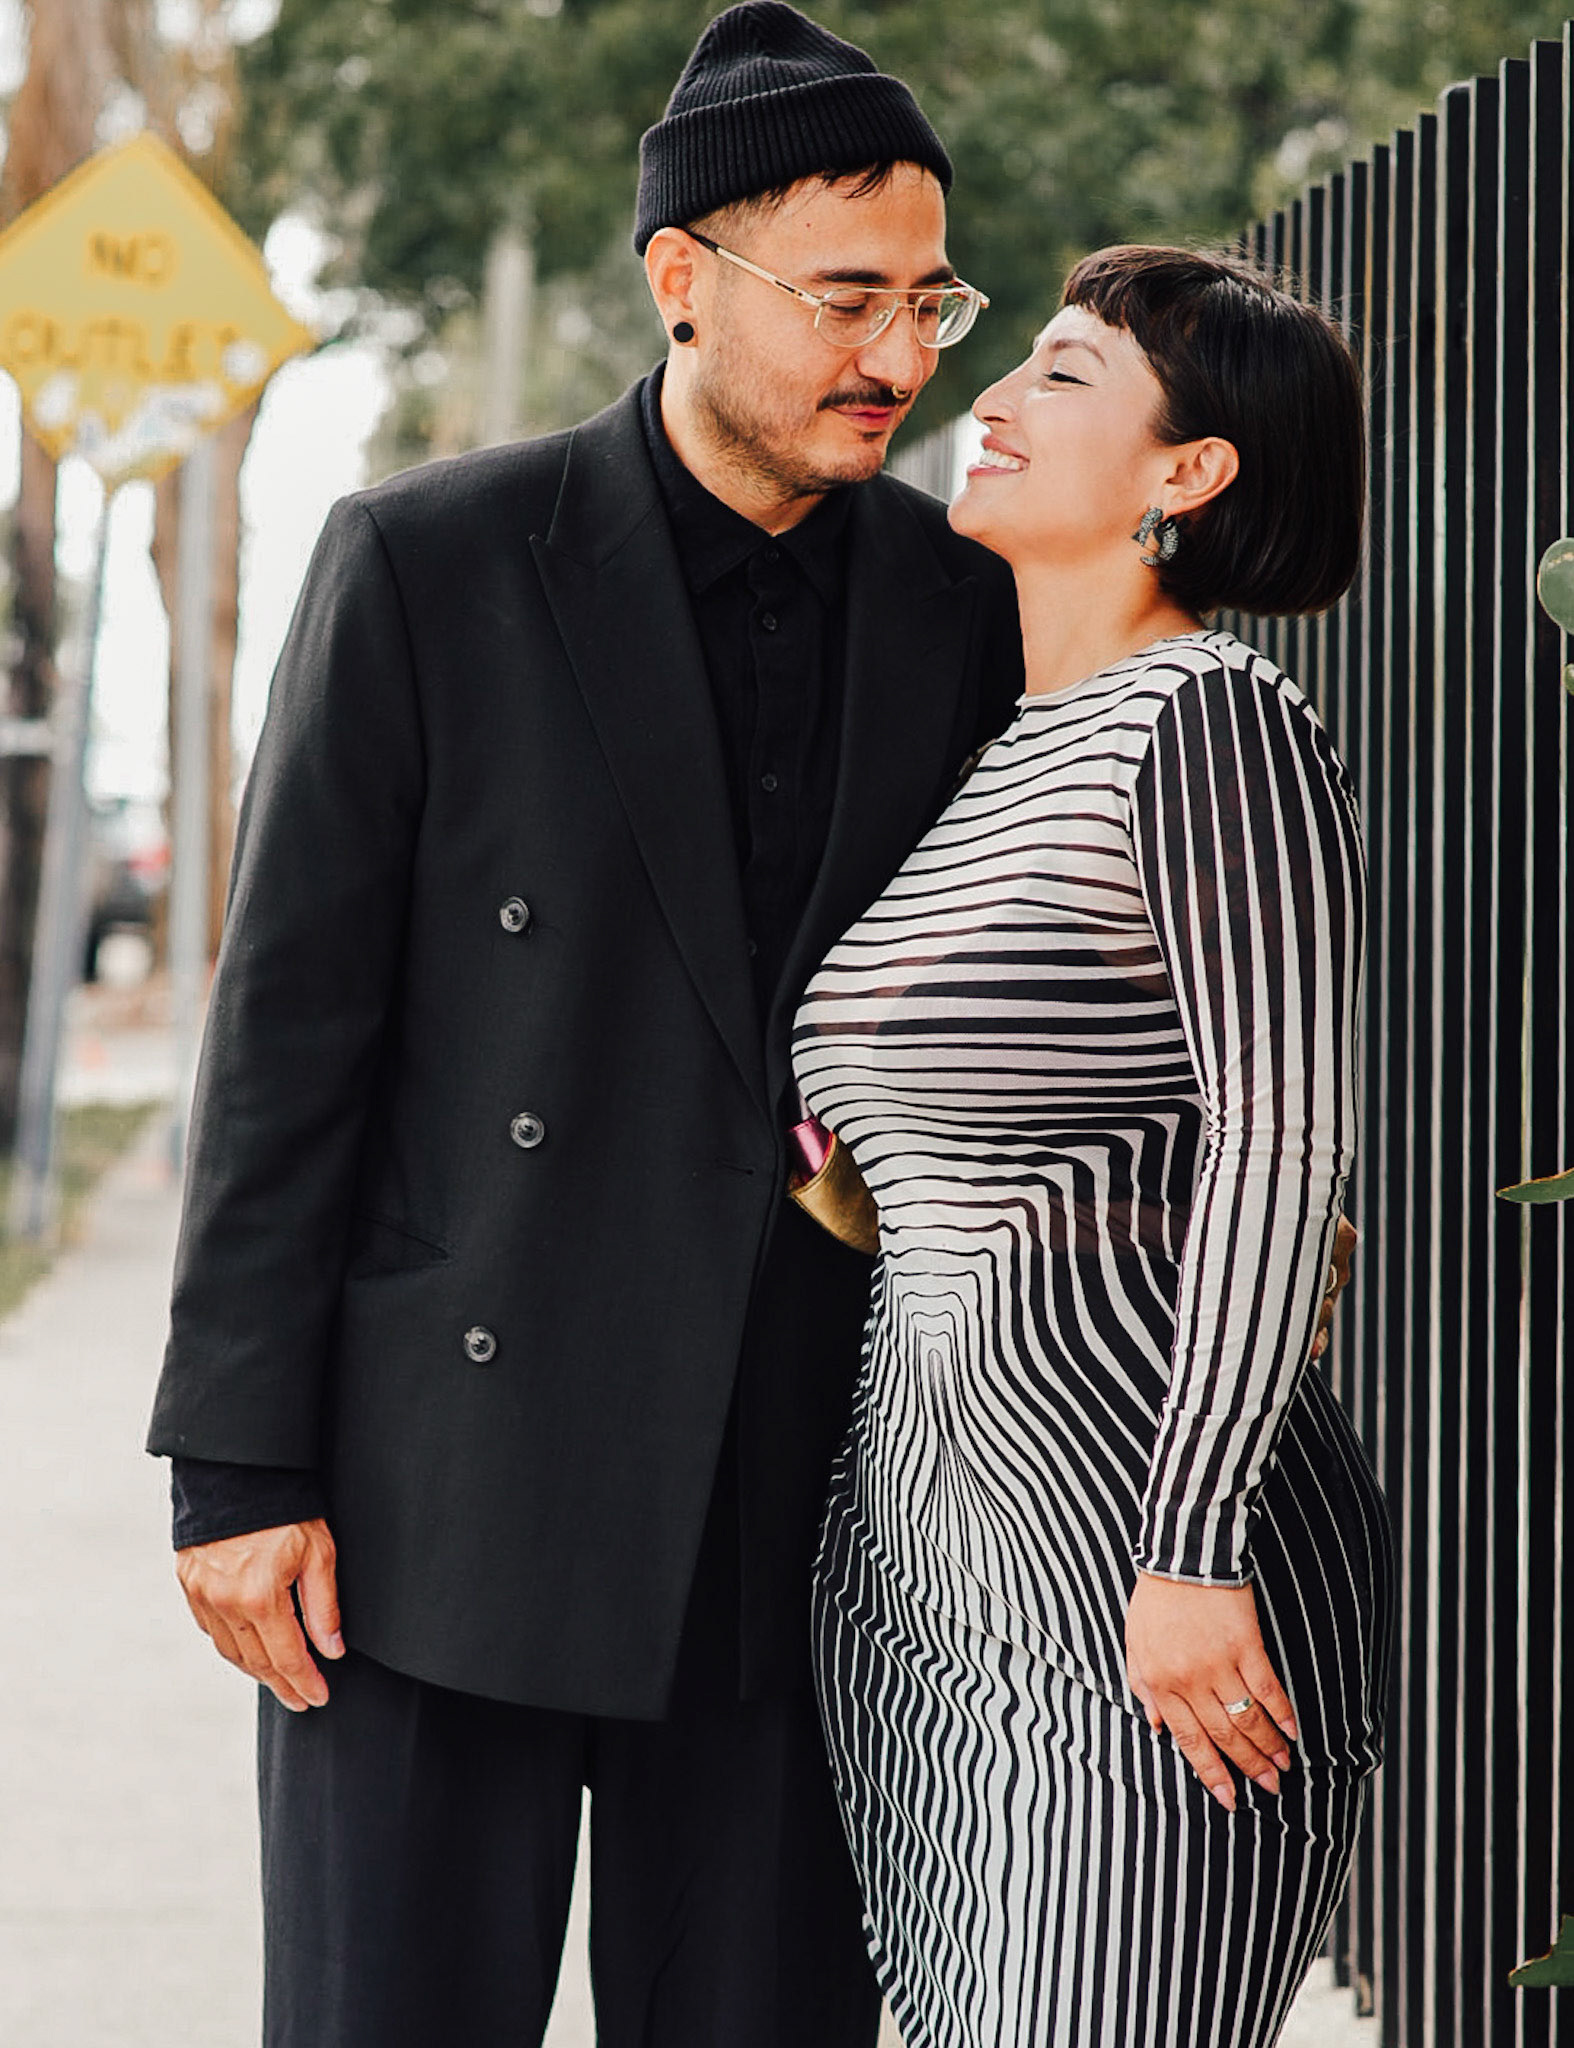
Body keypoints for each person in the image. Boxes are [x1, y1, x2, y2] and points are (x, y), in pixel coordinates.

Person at [147, 9, 1020, 2044]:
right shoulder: (431, 559)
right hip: (436, 1497)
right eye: (844, 298)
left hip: (796, 1503)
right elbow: (286, 1041)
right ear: (680, 277)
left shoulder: (964, 600)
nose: (896, 354)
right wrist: (234, 1466)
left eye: (928, 301)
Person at [793, 246, 1393, 2048]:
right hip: (939, 1576)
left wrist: (1195, 1546)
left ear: (1185, 470)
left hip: (1152, 1578)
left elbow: (1282, 1138)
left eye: (1058, 375)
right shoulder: (1012, 751)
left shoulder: (1210, 720)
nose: (983, 398)